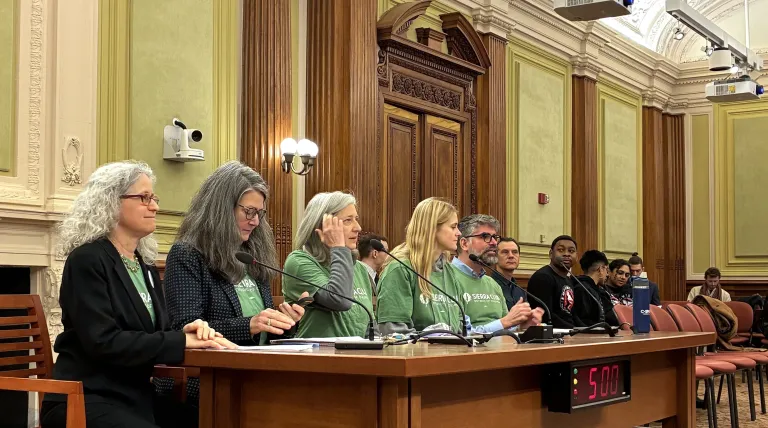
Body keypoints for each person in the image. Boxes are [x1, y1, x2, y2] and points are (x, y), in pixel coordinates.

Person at [40, 161, 235, 428]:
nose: (154, 206)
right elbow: (103, 342)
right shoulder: (86, 260)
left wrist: (189, 331)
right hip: (87, 397)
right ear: (111, 201)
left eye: (153, 197)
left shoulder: (145, 266)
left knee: (215, 420)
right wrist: (179, 341)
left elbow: (156, 333)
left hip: (137, 398)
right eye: (144, 198)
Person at [163, 162, 307, 402]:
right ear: (221, 208)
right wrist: (250, 324)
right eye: (248, 212)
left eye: (259, 214)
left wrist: (283, 324)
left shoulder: (251, 258)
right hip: (207, 383)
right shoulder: (187, 255)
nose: (255, 222)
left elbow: (261, 336)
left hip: (255, 377)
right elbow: (188, 329)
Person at [282, 192, 374, 338]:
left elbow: (369, 327)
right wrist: (338, 247)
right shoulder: (299, 261)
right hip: (320, 357)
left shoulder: (359, 268)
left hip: (358, 358)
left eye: (356, 219)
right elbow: (341, 300)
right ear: (322, 227)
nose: (358, 227)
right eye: (348, 220)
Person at [376, 197, 463, 334]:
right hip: (416, 354)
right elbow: (393, 332)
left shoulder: (450, 271)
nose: (459, 233)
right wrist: (430, 338)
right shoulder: (400, 269)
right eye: (453, 227)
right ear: (432, 228)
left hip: (450, 354)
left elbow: (459, 324)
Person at [451, 215, 542, 333]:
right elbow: (457, 332)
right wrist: (505, 322)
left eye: (494, 237)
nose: (494, 243)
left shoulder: (492, 284)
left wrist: (522, 325)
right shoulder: (447, 278)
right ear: (464, 244)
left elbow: (505, 325)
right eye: (485, 236)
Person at [527, 235, 583, 328]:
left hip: (569, 332)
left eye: (571, 251)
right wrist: (573, 329)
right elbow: (546, 315)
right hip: (552, 334)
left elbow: (571, 314)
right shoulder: (543, 277)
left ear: (576, 257)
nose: (566, 254)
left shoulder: (568, 279)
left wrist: (587, 329)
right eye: (561, 250)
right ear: (551, 254)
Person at [573, 250, 619, 327]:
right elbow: (584, 321)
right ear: (600, 269)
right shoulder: (582, 289)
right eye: (606, 270)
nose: (607, 275)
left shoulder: (599, 290)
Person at [491, 237, 527, 309]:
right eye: (505, 252)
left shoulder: (520, 290)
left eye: (515, 252)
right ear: (495, 257)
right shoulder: (489, 286)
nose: (511, 256)